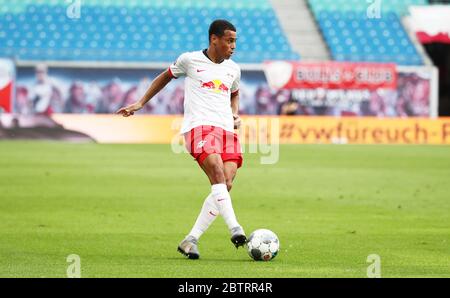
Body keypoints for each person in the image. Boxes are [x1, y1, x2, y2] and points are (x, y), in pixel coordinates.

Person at [116, 20, 246, 259]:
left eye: (235, 41)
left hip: (226, 130)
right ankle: (235, 228)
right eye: (229, 40)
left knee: (225, 185)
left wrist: (235, 113)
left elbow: (234, 93)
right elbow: (165, 77)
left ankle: (191, 239)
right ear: (214, 39)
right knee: (216, 171)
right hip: (199, 128)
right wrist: (140, 103)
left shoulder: (233, 69)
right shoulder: (190, 60)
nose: (233, 46)